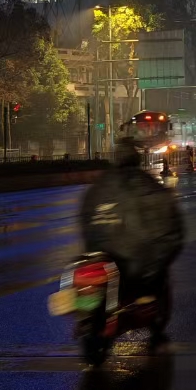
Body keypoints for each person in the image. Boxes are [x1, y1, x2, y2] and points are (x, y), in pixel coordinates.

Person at [80, 136, 184, 343]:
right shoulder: (144, 183)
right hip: (132, 258)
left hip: (99, 253)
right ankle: (143, 306)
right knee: (153, 273)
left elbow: (85, 217)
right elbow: (164, 214)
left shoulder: (99, 186)